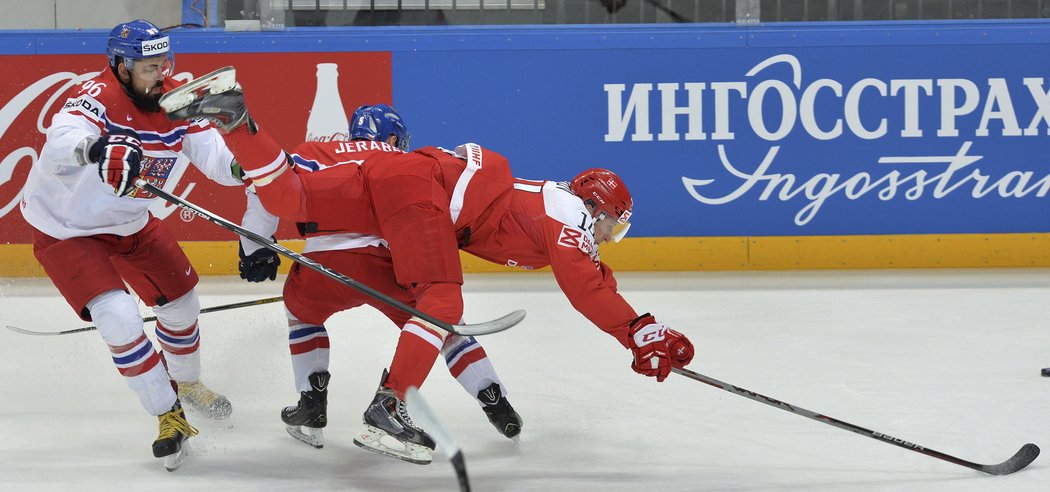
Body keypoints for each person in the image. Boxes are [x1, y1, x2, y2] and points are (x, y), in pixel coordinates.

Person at [160, 66, 695, 464]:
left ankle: (238, 122)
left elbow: (594, 279)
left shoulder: (548, 202)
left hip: (388, 182)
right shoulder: (569, 212)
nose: (608, 235)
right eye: (613, 224)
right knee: (441, 300)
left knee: (288, 198)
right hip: (417, 193)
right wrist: (637, 332)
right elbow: (584, 285)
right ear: (596, 207)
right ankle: (389, 407)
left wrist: (649, 331)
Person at [236, 104, 522, 452]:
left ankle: (312, 402)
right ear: (390, 137)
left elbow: (264, 187)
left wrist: (254, 247)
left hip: (323, 266)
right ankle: (494, 400)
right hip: (389, 265)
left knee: (301, 314)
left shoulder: (312, 150)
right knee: (439, 323)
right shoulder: (406, 160)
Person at [19, 20, 239, 470]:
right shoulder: (94, 96)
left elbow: (217, 159)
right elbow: (61, 140)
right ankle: (167, 413)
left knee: (182, 303)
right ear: (121, 68)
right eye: (148, 67)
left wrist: (249, 162)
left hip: (130, 220)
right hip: (66, 228)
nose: (160, 74)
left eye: (165, 63)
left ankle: (188, 383)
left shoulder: (180, 98)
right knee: (118, 316)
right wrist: (98, 148)